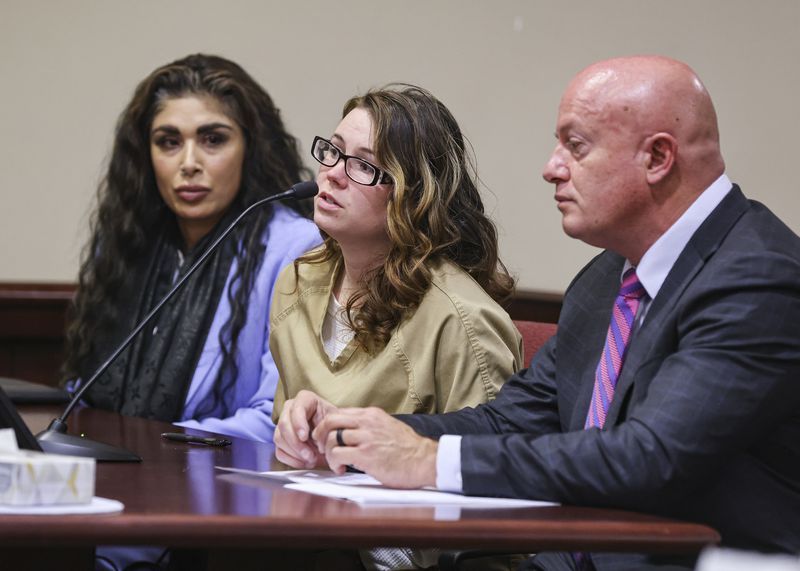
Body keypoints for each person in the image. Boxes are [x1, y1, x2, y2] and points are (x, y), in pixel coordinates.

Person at [275, 56, 800, 570]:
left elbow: (650, 458)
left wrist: (427, 461)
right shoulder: (604, 281)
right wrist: (359, 436)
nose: (551, 167)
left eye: (576, 145)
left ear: (658, 158)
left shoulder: (757, 278)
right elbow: (510, 420)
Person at [270, 85, 523, 570]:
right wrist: (292, 438)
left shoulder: (461, 318)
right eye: (333, 151)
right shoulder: (297, 282)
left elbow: (493, 505)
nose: (332, 174)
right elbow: (287, 446)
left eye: (363, 165)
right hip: (307, 531)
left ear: (416, 193)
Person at [62, 54, 321, 443]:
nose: (189, 163)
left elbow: (277, 420)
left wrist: (146, 444)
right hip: (110, 471)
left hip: (221, 488)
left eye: (213, 139)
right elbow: (85, 392)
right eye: (168, 142)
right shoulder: (129, 243)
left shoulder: (294, 247)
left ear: (251, 148)